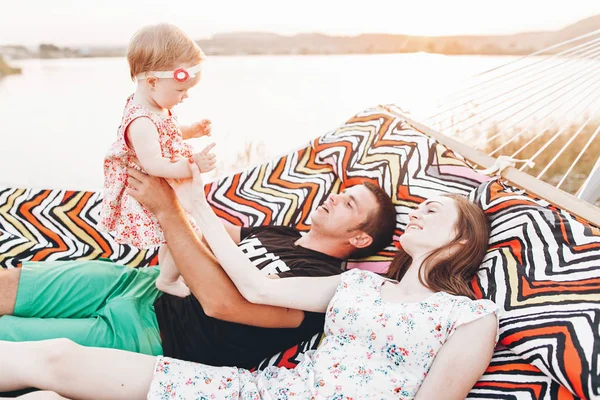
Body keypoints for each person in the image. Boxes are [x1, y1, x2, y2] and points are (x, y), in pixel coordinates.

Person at [0, 160, 498, 400]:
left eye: (434, 211)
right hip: (256, 390)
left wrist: (182, 211)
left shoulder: (470, 316)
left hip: (179, 343)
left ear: (459, 243)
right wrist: (191, 202)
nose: (420, 211)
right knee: (54, 373)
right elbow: (256, 287)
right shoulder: (356, 287)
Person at [0, 168, 396, 371]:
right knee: (10, 282)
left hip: (154, 335)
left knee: (11, 339)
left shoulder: (323, 287)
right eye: (342, 193)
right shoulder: (285, 234)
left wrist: (167, 210)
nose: (334, 198)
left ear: (360, 239)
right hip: (138, 283)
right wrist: (180, 188)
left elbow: (223, 305)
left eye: (349, 205)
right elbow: (217, 231)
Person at [98, 23, 216, 298]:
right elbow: (154, 164)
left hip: (162, 185)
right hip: (151, 190)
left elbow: (166, 133)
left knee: (175, 233)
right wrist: (193, 164)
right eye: (180, 90)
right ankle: (167, 278)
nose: (184, 96)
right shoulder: (140, 121)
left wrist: (190, 130)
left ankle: (168, 272)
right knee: (188, 232)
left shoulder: (154, 108)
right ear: (152, 82)